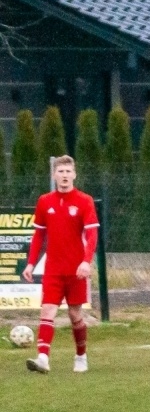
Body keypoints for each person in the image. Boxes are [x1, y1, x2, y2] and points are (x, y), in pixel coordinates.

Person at [22, 155, 99, 374]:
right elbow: (39, 236)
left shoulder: (84, 200)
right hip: (53, 270)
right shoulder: (45, 201)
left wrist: (86, 261)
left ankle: (81, 355)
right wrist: (30, 264)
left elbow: (92, 234)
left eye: (68, 172)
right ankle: (43, 358)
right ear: (54, 175)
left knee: (76, 316)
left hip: (76, 270)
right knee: (47, 311)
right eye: (60, 172)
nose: (64, 176)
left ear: (74, 174)